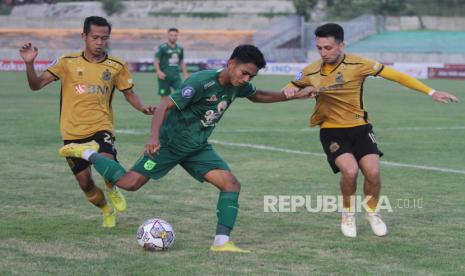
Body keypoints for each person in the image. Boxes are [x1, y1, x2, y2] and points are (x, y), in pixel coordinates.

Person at [58, 44, 312, 252]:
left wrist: (292, 95)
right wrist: (154, 137)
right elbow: (163, 106)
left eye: (250, 76)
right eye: (244, 73)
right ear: (231, 63)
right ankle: (86, 152)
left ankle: (221, 243)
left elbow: (259, 95)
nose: (246, 79)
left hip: (197, 148)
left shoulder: (239, 86)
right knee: (128, 183)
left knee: (231, 184)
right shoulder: (202, 82)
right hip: (169, 144)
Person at [284, 23, 459, 238]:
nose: (323, 53)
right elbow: (289, 88)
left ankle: (372, 212)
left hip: (359, 127)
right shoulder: (311, 70)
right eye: (319, 48)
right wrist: (296, 92)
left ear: (341, 45)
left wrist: (431, 92)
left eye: (328, 48)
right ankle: (348, 213)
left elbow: (396, 75)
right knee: (350, 171)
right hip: (331, 130)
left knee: (374, 172)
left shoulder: (360, 64)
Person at [19, 16, 155, 228]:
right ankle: (105, 209)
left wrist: (142, 107)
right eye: (95, 37)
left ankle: (112, 187)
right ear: (84, 36)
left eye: (104, 38)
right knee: (85, 183)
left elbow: (129, 93)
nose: (100, 42)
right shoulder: (66, 62)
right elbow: (35, 85)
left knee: (107, 162)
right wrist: (30, 64)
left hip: (101, 126)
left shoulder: (117, 65)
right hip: (72, 134)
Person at [153, 28, 189, 98]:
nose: (173, 37)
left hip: (176, 76)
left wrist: (185, 75)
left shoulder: (180, 48)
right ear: (168, 36)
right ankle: (165, 109)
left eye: (175, 35)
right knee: (164, 97)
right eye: (171, 35)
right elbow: (156, 60)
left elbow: (181, 62)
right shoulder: (162, 47)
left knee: (181, 94)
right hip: (164, 77)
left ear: (177, 36)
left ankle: (177, 109)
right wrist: (158, 71)